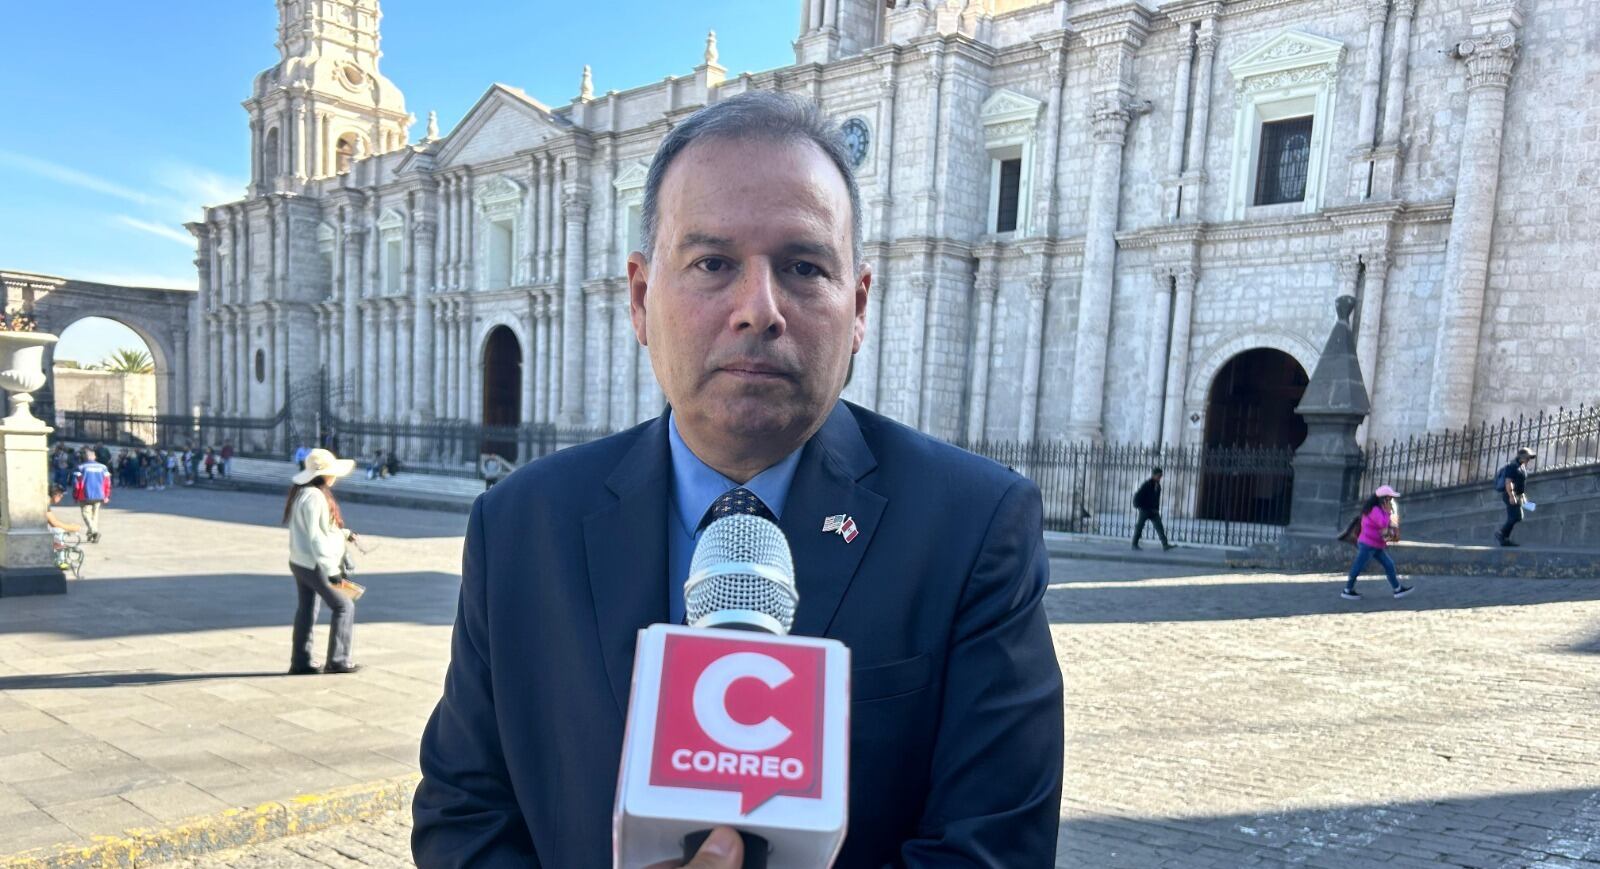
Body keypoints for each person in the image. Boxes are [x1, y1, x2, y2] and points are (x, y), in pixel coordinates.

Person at [412, 92, 1064, 868]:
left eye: (803, 266)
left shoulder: (971, 527)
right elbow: (464, 813)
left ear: (857, 306)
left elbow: (993, 849)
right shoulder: (520, 524)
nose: (759, 309)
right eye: (713, 262)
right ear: (641, 297)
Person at [284, 448, 362, 675]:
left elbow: (321, 529)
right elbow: (317, 537)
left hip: (300, 561)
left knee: (307, 610)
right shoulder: (315, 497)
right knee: (344, 606)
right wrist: (331, 570)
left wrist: (345, 534)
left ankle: (301, 660)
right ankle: (338, 659)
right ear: (326, 474)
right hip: (315, 564)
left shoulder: (303, 493)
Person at [1341, 485, 1413, 600]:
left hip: (1375, 544)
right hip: (1368, 545)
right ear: (1383, 498)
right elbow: (1383, 524)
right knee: (1358, 566)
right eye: (1389, 498)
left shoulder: (1379, 509)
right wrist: (1389, 512)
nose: (1391, 500)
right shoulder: (1374, 510)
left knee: (1388, 564)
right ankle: (1347, 590)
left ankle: (1397, 589)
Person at [1494, 447, 1537, 546]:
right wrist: (1511, 495)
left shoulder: (1521, 466)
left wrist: (1522, 497)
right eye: (1527, 458)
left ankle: (1504, 537)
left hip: (1518, 495)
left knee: (1518, 516)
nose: (1528, 460)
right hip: (1510, 495)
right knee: (1515, 516)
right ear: (1521, 457)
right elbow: (1508, 482)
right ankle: (1501, 534)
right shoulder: (1512, 467)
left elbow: (1520, 483)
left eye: (1529, 458)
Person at [1132, 467, 1176, 551]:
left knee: (1159, 527)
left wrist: (1156, 508)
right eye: (1159, 475)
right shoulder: (1147, 484)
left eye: (1161, 475)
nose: (1160, 477)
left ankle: (1165, 545)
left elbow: (1156, 498)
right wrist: (1139, 506)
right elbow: (1138, 495)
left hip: (1153, 511)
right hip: (1145, 510)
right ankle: (1134, 544)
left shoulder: (1158, 485)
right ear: (1154, 475)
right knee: (1139, 527)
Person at [72, 452, 112, 544]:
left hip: (85, 494)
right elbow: (107, 482)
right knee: (94, 516)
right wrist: (106, 495)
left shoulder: (80, 467)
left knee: (86, 514)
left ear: (85, 457)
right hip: (99, 494)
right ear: (94, 457)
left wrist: (75, 496)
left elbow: (76, 484)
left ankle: (94, 532)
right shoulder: (103, 467)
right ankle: (91, 534)